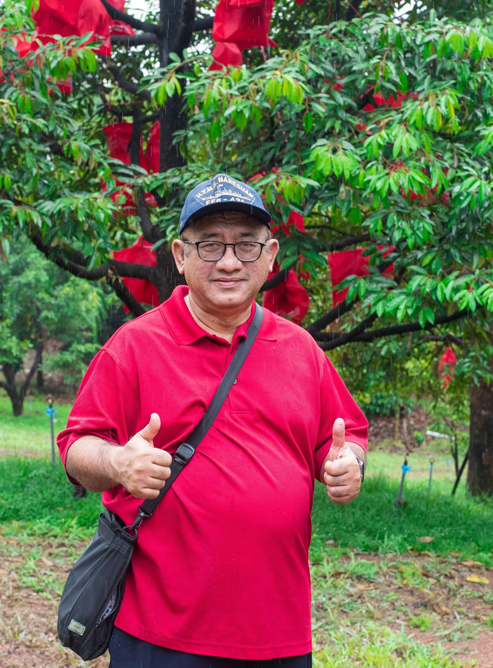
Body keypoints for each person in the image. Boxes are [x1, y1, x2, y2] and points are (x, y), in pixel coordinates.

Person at [59, 174, 369, 667]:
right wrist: (119, 463)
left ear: (270, 258)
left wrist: (349, 463)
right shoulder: (136, 345)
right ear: (181, 256)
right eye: (210, 245)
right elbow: (76, 448)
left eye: (247, 246)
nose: (229, 261)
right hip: (161, 635)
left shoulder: (301, 350)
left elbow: (346, 436)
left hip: (279, 633)